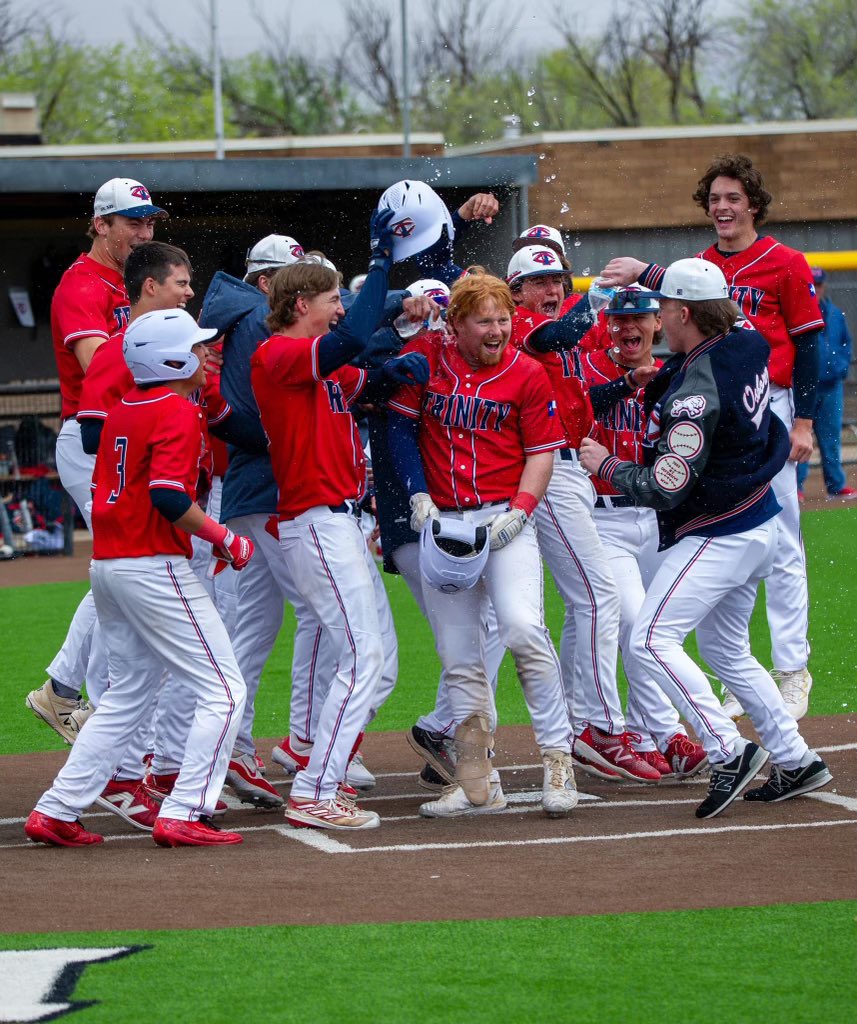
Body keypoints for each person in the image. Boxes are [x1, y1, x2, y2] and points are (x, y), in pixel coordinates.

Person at [579, 258, 832, 819]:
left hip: (721, 531)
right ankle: (795, 759)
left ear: (686, 314)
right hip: (759, 519)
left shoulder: (695, 394)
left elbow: (666, 485)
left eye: (666, 305)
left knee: (649, 639)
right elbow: (728, 314)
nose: (660, 314)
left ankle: (727, 749)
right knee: (725, 651)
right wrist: (651, 274)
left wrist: (606, 464)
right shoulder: (746, 340)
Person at [599, 153, 822, 721]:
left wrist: (804, 420)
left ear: (754, 205)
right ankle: (738, 669)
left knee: (782, 541)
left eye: (733, 198)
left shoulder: (785, 262)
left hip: (765, 401)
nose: (723, 207)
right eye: (715, 198)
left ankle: (792, 668)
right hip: (717, 410)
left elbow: (809, 344)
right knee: (727, 529)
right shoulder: (698, 264)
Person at [25, 309, 254, 848]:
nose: (205, 354)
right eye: (194, 348)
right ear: (170, 360)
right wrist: (225, 537)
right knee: (225, 690)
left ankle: (56, 809)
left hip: (110, 565)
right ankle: (185, 810)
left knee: (127, 695)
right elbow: (169, 496)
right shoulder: (173, 409)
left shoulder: (126, 405)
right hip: (151, 564)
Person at [250, 208, 424, 831]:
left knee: (371, 656)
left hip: (340, 522)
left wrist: (396, 366)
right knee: (362, 656)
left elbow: (363, 379)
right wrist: (380, 264)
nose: (340, 307)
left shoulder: (316, 360)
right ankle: (315, 787)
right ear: (301, 305)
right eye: (330, 299)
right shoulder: (278, 353)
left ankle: (316, 777)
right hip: (316, 521)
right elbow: (348, 342)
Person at [388, 272, 579, 820]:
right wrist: (417, 494)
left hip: (502, 518)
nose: (497, 330)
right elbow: (399, 430)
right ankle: (480, 780)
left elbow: (541, 453)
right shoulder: (426, 358)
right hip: (444, 524)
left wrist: (521, 511)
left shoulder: (527, 372)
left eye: (503, 319)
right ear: (455, 324)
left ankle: (558, 759)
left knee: (522, 628)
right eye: (484, 321)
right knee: (459, 656)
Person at [506, 245, 660, 782]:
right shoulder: (523, 325)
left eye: (559, 278)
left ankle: (449, 727)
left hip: (564, 466)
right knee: (595, 597)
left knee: (576, 605)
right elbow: (558, 336)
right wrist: (593, 300)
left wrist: (625, 385)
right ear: (516, 291)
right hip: (547, 467)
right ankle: (597, 726)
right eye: (539, 280)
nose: (552, 288)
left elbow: (577, 398)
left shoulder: (562, 326)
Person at [27, 178, 168, 745]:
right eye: (132, 221)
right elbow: (100, 369)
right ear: (100, 224)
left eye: (149, 221)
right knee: (128, 566)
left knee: (127, 568)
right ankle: (78, 698)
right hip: (91, 437)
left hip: (125, 435)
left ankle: (65, 692)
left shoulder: (133, 281)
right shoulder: (82, 286)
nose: (144, 232)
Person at [582, 286, 707, 777]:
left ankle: (640, 729)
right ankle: (670, 734)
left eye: (640, 318)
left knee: (660, 628)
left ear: (660, 323)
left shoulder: (678, 373)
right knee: (636, 623)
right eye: (619, 318)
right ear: (607, 324)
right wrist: (627, 383)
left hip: (656, 518)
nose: (628, 327)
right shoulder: (589, 368)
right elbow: (578, 408)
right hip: (603, 516)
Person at [796, 268, 855, 500]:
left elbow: (846, 344)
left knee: (831, 438)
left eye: (819, 284)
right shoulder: (798, 311)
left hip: (831, 386)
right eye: (813, 284)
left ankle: (836, 485)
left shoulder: (834, 313)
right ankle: (797, 487)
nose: (817, 289)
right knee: (801, 436)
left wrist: (841, 368)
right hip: (804, 386)